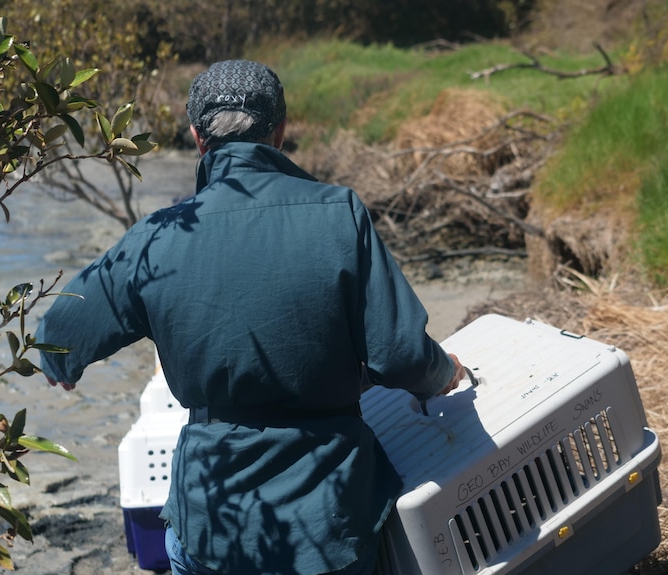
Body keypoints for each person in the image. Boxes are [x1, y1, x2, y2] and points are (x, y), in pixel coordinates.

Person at [35, 59, 466, 575]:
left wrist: (62, 365)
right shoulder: (339, 212)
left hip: (213, 521)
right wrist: (446, 374)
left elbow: (56, 337)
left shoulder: (157, 235)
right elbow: (400, 356)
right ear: (280, 132)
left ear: (197, 138)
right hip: (329, 522)